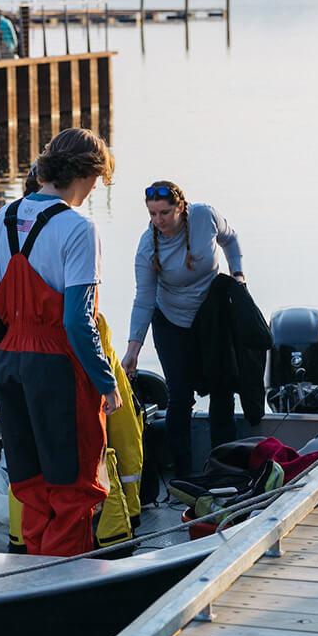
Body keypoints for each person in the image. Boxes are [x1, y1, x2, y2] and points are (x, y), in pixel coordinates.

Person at [0, 128, 121, 556]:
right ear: (85, 174)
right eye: (95, 182)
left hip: (8, 365)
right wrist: (107, 384)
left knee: (30, 483)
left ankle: (30, 574)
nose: (93, 191)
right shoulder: (78, 228)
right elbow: (77, 321)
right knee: (74, 488)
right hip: (57, 368)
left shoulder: (7, 216)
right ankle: (63, 581)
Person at [121, 181, 247, 477]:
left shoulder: (205, 217)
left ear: (182, 208)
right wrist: (133, 350)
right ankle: (183, 474)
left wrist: (238, 275)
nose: (158, 221)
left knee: (222, 388)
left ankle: (223, 468)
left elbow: (231, 239)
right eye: (152, 214)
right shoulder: (147, 247)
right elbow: (144, 300)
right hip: (171, 322)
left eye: (164, 213)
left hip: (212, 316)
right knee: (179, 396)